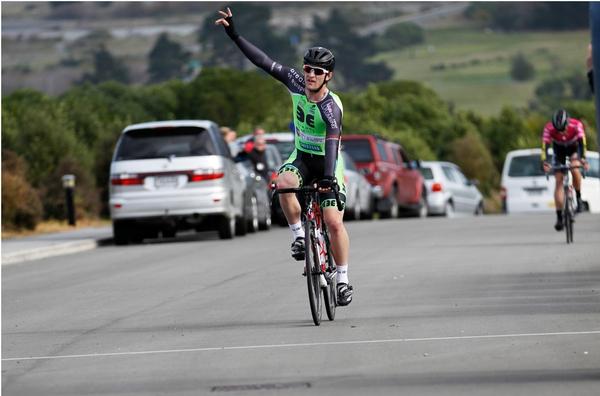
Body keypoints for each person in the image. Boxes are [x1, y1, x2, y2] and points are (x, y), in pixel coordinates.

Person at [216, 7, 354, 306]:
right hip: (303, 155)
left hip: (328, 160)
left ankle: (342, 279)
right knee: (283, 182)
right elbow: (262, 61)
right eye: (308, 69)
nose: (311, 75)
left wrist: (329, 178)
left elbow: (332, 140)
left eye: (318, 72)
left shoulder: (331, 107)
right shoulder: (294, 82)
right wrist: (234, 35)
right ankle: (299, 237)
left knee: (332, 221)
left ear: (328, 76)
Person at [541, 109, 589, 231]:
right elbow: (544, 146)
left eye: (563, 129)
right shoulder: (549, 128)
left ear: (568, 123)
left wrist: (582, 159)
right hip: (559, 152)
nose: (561, 132)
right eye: (558, 130)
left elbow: (582, 142)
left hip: (574, 149)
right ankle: (559, 218)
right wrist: (545, 162)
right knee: (558, 181)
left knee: (575, 169)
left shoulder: (576, 124)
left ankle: (578, 198)